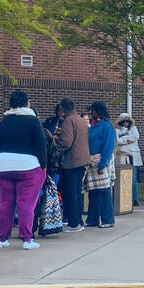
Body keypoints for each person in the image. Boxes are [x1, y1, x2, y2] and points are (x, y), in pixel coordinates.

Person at [0, 91, 47, 249]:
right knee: (26, 204)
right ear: (27, 103)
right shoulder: (33, 121)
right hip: (28, 166)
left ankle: (1, 238)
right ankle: (27, 239)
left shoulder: (4, 121)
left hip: (4, 165)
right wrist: (43, 165)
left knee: (5, 203)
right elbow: (40, 144)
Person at [57, 97, 91, 232]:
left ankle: (74, 223)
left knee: (70, 193)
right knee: (77, 192)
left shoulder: (68, 121)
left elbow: (67, 142)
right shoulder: (80, 120)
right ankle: (78, 221)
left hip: (72, 161)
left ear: (63, 108)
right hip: (82, 160)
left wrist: (57, 144)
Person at [85, 101, 116, 228]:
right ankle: (92, 219)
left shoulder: (106, 126)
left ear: (98, 112)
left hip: (102, 160)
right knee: (93, 192)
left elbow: (108, 146)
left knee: (103, 191)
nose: (90, 113)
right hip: (92, 161)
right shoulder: (93, 126)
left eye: (92, 110)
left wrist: (102, 165)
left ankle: (107, 219)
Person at [115, 112, 142, 207]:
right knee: (123, 178)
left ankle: (134, 199)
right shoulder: (117, 130)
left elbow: (135, 137)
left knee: (133, 179)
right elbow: (117, 141)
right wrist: (126, 140)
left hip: (133, 156)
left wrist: (124, 140)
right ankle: (124, 198)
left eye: (127, 121)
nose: (126, 123)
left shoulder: (134, 129)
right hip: (122, 156)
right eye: (123, 121)